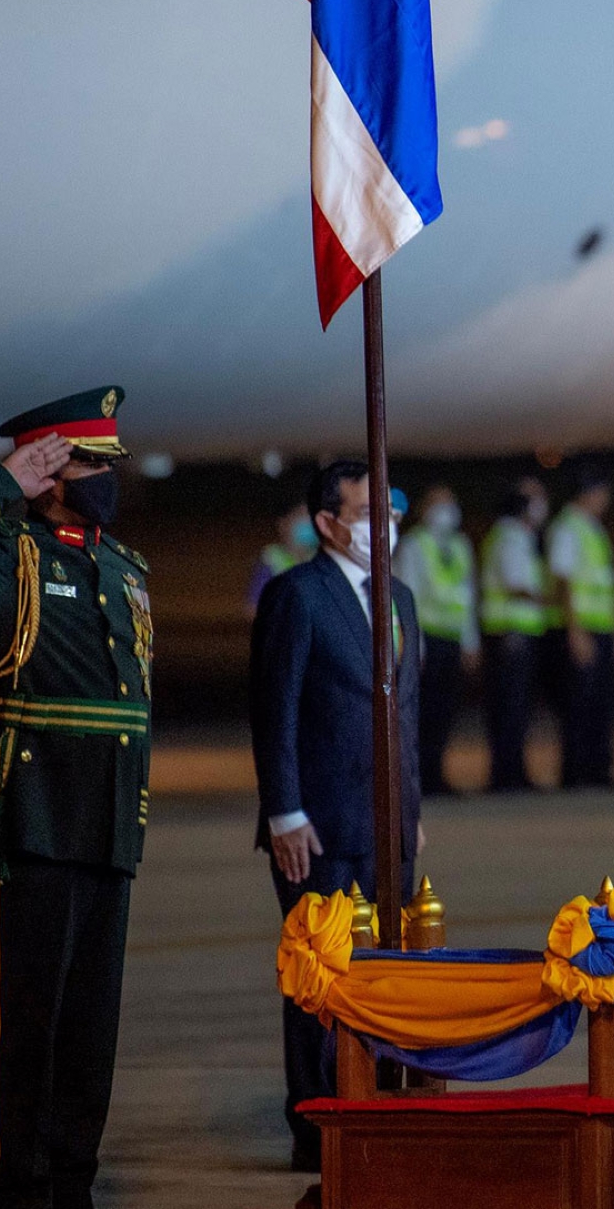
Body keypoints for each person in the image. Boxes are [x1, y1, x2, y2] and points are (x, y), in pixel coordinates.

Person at [0, 386, 151, 1209]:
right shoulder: (7, 557)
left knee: (91, 1028)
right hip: (30, 818)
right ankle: (18, 1189)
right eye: (88, 461)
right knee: (25, 1028)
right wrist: (1, 483)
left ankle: (72, 1181)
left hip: (107, 824)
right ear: (48, 468)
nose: (104, 476)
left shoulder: (121, 566)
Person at [249, 458, 423, 1171]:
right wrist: (284, 811)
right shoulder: (299, 595)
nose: (384, 527)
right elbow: (274, 709)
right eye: (366, 514)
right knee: (320, 978)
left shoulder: (401, 598)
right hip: (318, 823)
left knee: (386, 971)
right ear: (327, 522)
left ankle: (375, 1107)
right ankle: (318, 1125)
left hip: (389, 821)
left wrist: (413, 811)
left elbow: (407, 714)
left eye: (390, 513)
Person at [392, 486, 477, 796]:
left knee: (444, 712)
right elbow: (407, 597)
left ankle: (436, 774)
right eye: (438, 503)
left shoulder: (460, 544)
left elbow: (468, 596)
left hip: (452, 639)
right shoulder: (416, 544)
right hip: (427, 640)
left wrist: (470, 642)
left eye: (449, 502)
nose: (446, 510)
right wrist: (415, 646)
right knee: (422, 713)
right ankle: (418, 778)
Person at [548, 466, 614, 789]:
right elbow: (563, 581)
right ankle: (576, 773)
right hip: (582, 630)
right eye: (602, 493)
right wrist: (575, 630)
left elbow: (607, 585)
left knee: (602, 705)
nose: (605, 500)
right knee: (579, 706)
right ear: (590, 492)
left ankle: (598, 770)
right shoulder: (567, 528)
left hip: (602, 628)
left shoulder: (593, 529)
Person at [478, 477, 549, 791]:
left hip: (512, 634)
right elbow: (515, 583)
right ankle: (507, 775)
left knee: (514, 710)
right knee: (510, 709)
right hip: (510, 635)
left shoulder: (512, 535)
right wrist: (547, 599)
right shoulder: (511, 536)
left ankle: (513, 771)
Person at [247, 500, 317, 619]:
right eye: (300, 515)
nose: (307, 522)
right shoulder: (271, 560)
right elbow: (252, 609)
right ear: (283, 524)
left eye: (312, 516)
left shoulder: (325, 561)